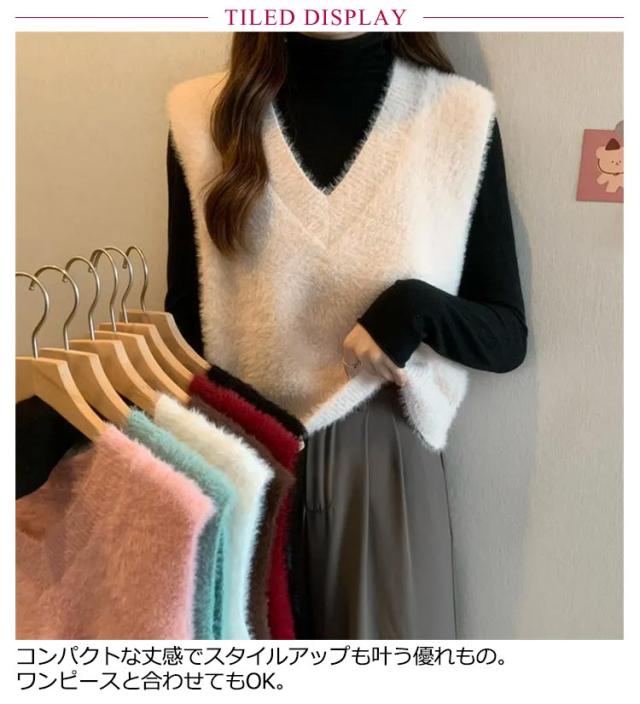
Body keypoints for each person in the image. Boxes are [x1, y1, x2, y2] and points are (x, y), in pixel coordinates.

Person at [165, 31, 528, 639]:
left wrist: (414, 308)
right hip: (239, 458)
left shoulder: (456, 116)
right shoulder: (202, 117)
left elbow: (506, 335)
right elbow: (183, 322)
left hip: (385, 461)